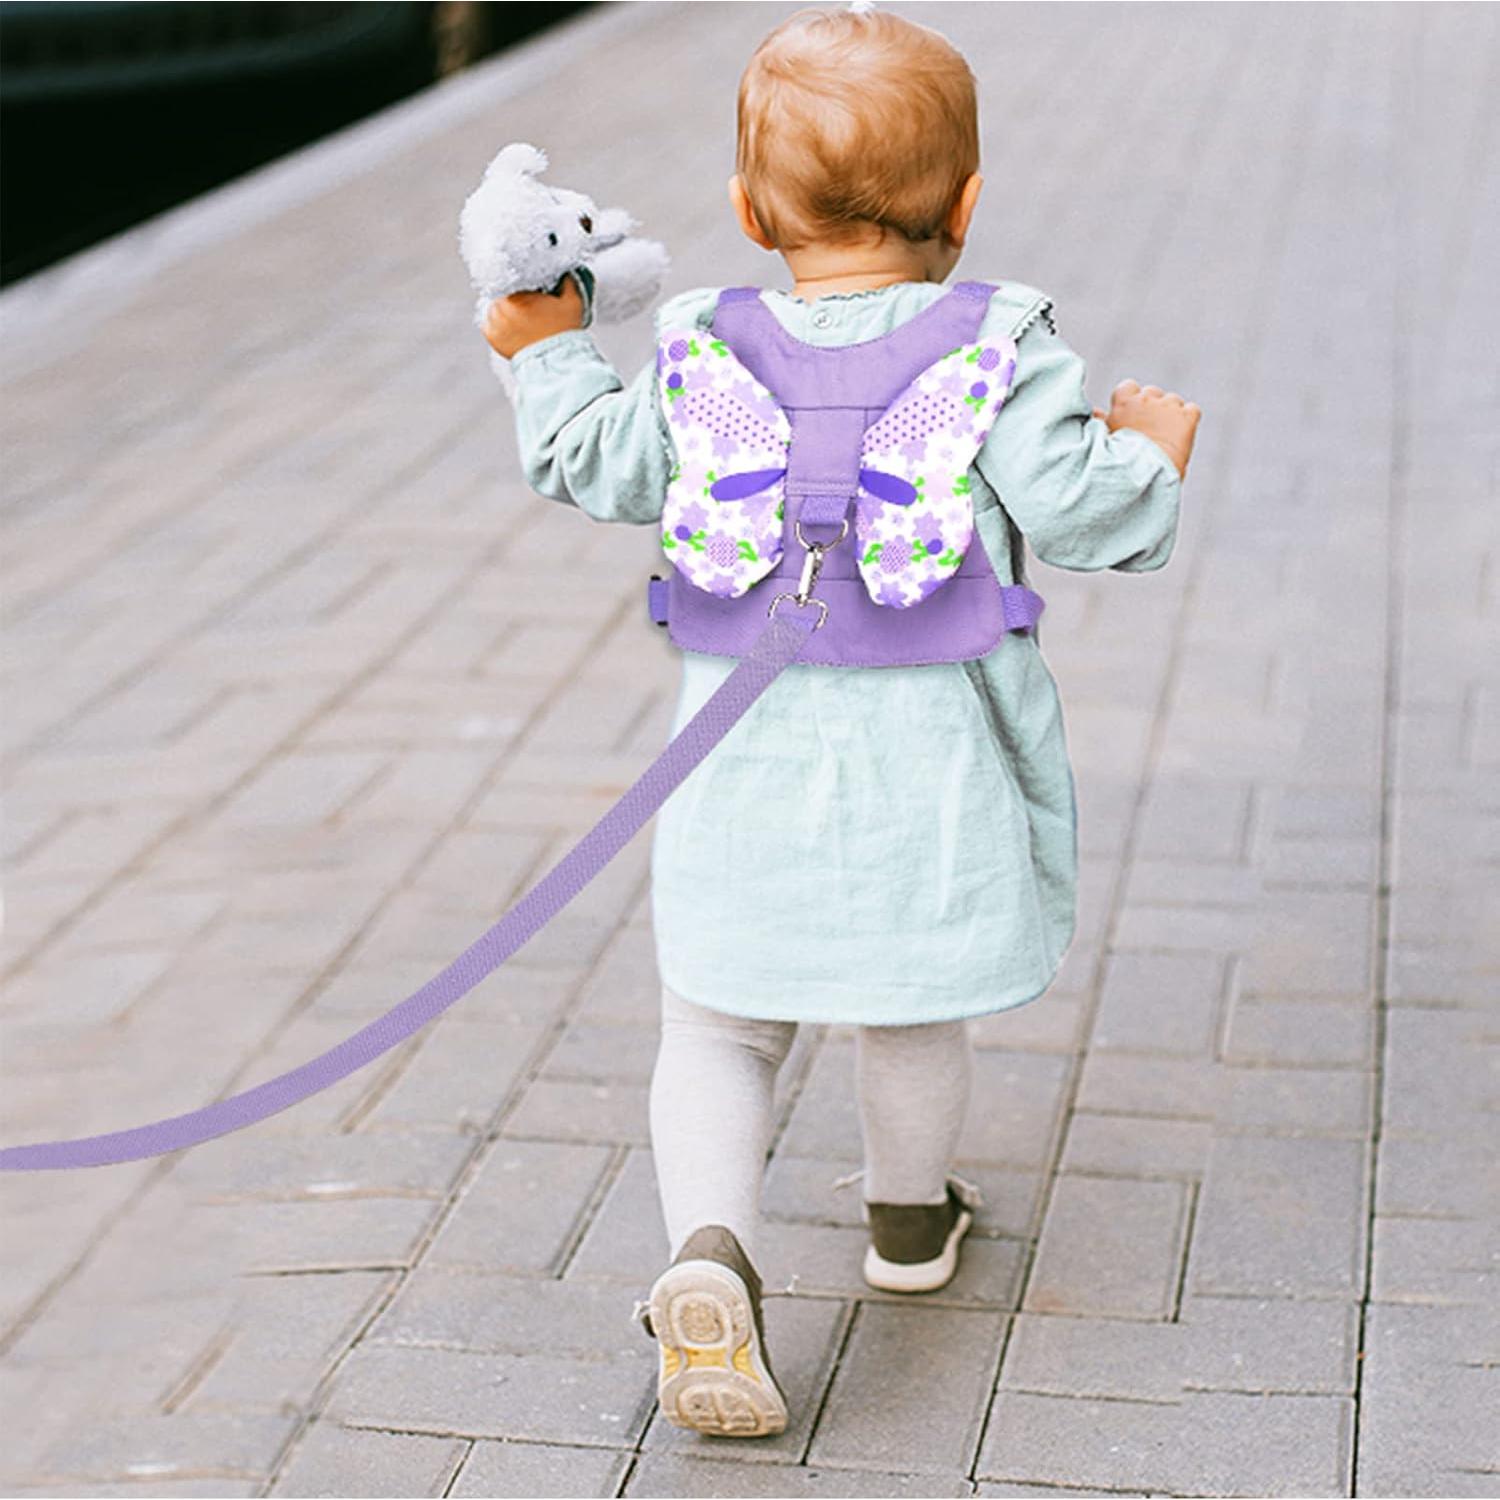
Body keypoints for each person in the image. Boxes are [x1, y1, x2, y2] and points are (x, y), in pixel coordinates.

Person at [482, 2, 1200, 1441]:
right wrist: (1149, 450)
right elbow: (1085, 516)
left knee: (716, 1025)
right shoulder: (998, 347)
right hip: (930, 764)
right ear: (967, 204)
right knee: (910, 1002)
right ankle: (908, 1226)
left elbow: (592, 462)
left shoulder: (701, 349)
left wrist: (543, 349)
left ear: (750, 214)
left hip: (740, 761)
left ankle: (710, 1252)